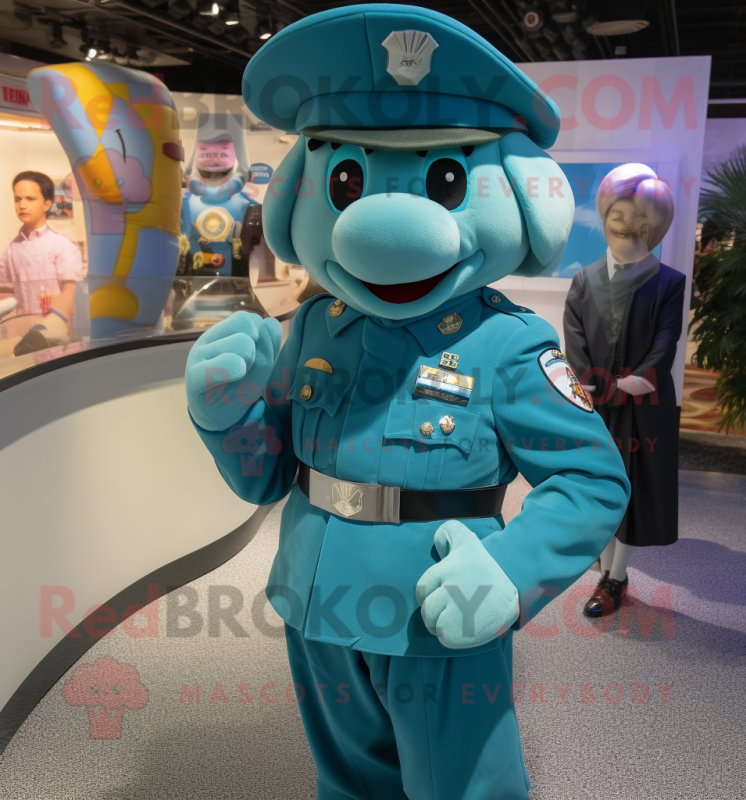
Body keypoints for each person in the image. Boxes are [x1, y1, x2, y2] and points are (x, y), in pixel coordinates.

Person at [185, 6, 630, 799]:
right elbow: (267, 474)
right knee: (348, 782)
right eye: (347, 181)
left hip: (439, 610)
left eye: (445, 177)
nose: (377, 224)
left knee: (464, 786)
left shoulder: (510, 345)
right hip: (317, 595)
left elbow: (591, 481)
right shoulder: (315, 326)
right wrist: (225, 415)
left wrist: (510, 571)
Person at [563, 164, 686, 617]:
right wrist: (593, 386)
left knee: (633, 489)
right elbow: (574, 336)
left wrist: (630, 385)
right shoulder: (584, 279)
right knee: (597, 482)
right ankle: (602, 557)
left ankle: (615, 577)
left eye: (638, 220)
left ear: (654, 227)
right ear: (605, 216)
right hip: (595, 402)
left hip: (642, 405)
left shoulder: (669, 282)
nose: (626, 226)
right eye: (618, 215)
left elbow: (665, 343)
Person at [0, 171, 83, 329]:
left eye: (30, 199)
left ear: (46, 204)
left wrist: (50, 329)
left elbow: (71, 294)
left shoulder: (62, 244)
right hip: (19, 334)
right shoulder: (10, 250)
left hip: (55, 334)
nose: (22, 205)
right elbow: (5, 293)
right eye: (17, 199)